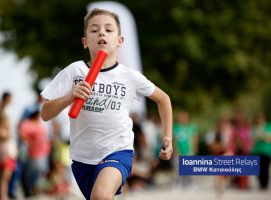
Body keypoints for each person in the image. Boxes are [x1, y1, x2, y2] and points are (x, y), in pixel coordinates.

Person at [40, 8, 173, 200]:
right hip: (82, 158)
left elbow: (164, 99)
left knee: (101, 195)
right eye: (94, 30)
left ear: (120, 41)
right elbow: (45, 113)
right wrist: (70, 97)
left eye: (109, 29)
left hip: (119, 150)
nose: (101, 33)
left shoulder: (130, 76)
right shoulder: (74, 71)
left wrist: (167, 136)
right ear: (85, 42)